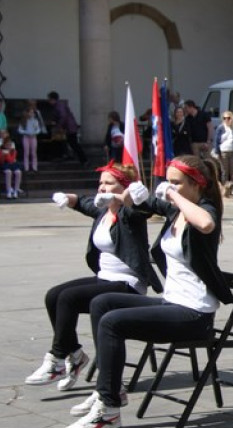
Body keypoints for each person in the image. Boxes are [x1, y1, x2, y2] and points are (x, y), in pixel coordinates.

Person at [64, 155, 233, 428]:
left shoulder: (204, 209)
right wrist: (126, 194)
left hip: (194, 314)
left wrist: (172, 196)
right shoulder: (175, 211)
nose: (170, 187)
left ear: (197, 184)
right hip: (173, 302)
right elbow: (139, 204)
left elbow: (206, 224)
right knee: (102, 303)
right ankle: (110, 387)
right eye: (168, 181)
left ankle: (108, 411)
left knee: (112, 323)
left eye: (177, 183)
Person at [26, 162, 160, 392]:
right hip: (105, 278)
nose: (102, 188)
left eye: (109, 183)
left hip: (127, 284)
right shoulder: (103, 210)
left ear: (124, 187)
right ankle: (75, 354)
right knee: (54, 296)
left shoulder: (130, 213)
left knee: (69, 298)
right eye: (100, 183)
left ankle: (57, 359)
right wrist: (67, 198)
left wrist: (128, 197)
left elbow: (142, 209)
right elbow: (82, 202)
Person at [47, 91, 87, 165]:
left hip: (69, 127)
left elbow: (63, 117)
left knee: (73, 143)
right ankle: (79, 159)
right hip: (69, 127)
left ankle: (84, 160)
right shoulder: (60, 105)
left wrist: (58, 127)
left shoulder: (59, 106)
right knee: (72, 143)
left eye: (49, 100)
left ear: (53, 99)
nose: (49, 101)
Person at [215, 111, 233, 196]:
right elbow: (217, 141)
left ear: (232, 118)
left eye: (228, 118)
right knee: (225, 171)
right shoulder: (220, 128)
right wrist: (217, 152)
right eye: (224, 118)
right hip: (223, 152)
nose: (226, 120)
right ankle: (225, 189)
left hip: (232, 151)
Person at [0, 129, 23, 199]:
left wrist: (7, 155)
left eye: (10, 145)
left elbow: (11, 160)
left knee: (18, 172)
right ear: (4, 145)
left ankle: (16, 191)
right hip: (4, 165)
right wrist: (3, 155)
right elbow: (0, 161)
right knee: (8, 172)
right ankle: (9, 190)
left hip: (12, 164)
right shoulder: (1, 151)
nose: (9, 146)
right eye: (7, 145)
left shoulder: (13, 151)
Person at [18, 105, 43, 172]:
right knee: (26, 152)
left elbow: (38, 129)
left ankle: (34, 167)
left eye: (32, 112)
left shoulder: (35, 121)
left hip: (33, 137)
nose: (32, 114)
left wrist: (35, 133)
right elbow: (20, 130)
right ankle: (26, 167)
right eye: (30, 112)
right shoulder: (23, 121)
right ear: (27, 113)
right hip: (26, 137)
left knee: (33, 152)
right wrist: (26, 132)